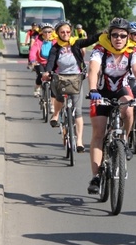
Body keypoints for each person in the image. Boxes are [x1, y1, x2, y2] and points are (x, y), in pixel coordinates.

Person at [86, 17, 136, 194]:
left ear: (128, 37)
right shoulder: (100, 50)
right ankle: (96, 177)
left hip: (121, 90)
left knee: (129, 109)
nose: (119, 39)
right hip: (101, 91)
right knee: (98, 133)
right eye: (115, 35)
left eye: (123, 35)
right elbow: (93, 70)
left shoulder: (133, 52)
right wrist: (92, 90)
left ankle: (125, 140)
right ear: (109, 35)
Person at [42, 21, 100, 152]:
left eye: (68, 31)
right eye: (62, 32)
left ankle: (79, 141)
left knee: (78, 111)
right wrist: (47, 72)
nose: (66, 34)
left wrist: (103, 34)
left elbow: (89, 40)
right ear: (58, 33)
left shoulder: (76, 43)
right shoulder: (55, 47)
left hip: (76, 78)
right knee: (60, 98)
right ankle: (56, 114)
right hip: (60, 77)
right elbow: (51, 61)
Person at [29, 23, 56, 99]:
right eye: (45, 31)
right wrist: (32, 60)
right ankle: (37, 87)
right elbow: (33, 51)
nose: (47, 34)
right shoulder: (38, 42)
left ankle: (52, 103)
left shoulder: (55, 42)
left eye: (49, 31)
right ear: (42, 32)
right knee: (41, 74)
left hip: (52, 63)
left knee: (55, 79)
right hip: (40, 62)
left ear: (52, 32)